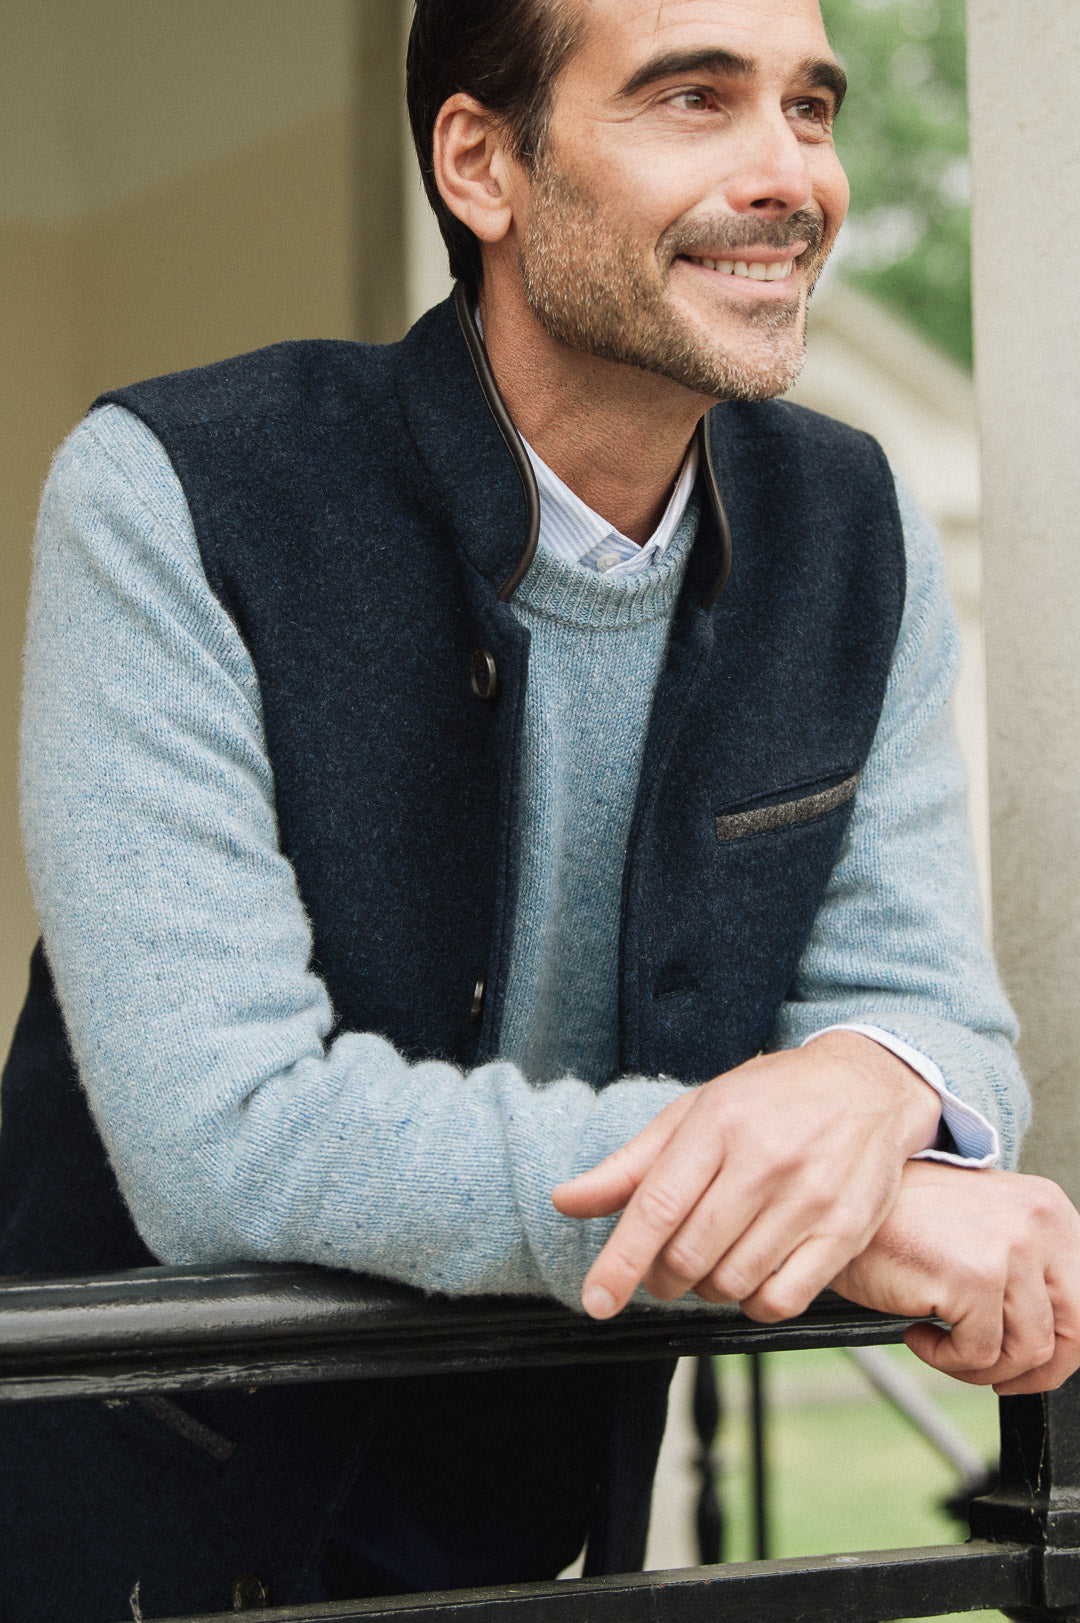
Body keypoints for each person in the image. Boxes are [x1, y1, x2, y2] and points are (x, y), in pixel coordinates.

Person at [2, 0, 1079, 1616]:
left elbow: (936, 1024)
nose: (791, 172)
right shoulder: (172, 491)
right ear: (483, 163)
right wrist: (843, 1217)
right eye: (694, 99)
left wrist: (867, 1087)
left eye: (811, 105)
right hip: (143, 1504)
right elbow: (223, 1134)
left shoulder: (858, 530)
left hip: (551, 1516)